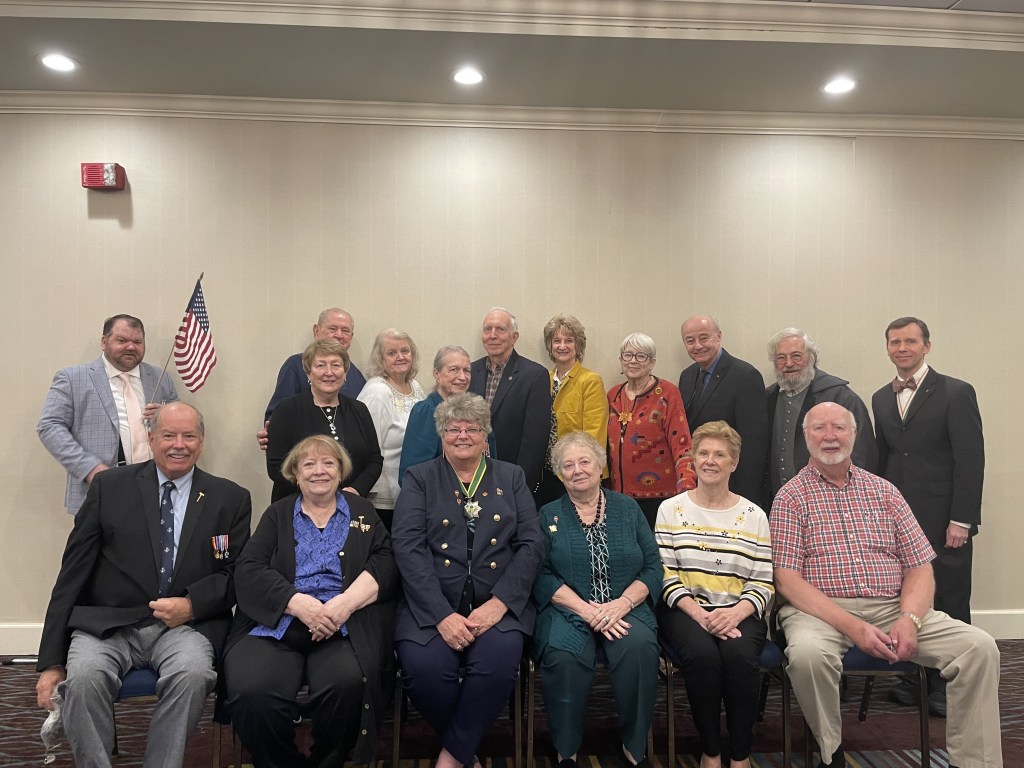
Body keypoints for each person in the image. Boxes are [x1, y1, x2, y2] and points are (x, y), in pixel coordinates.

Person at [770, 402, 1002, 768]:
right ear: (806, 437)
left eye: (839, 427)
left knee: (979, 647)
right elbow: (786, 580)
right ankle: (831, 754)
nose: (830, 436)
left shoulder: (885, 492)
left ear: (855, 433)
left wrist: (910, 618)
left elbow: (919, 566)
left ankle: (976, 762)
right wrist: (853, 627)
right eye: (819, 428)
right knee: (807, 657)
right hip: (820, 612)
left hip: (892, 606)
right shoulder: (790, 497)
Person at [35, 402, 252, 768]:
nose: (178, 444)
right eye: (168, 435)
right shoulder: (109, 487)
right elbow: (72, 574)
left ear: (201, 441)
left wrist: (192, 605)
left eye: (189, 436)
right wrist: (51, 662)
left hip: (185, 628)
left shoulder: (230, 498)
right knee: (83, 679)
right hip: (108, 625)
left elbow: (236, 576)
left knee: (193, 673)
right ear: (151, 439)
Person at [224, 435, 399, 768]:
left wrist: (344, 605)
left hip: (343, 626)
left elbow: (386, 562)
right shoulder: (277, 514)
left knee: (348, 685)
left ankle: (327, 762)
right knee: (252, 691)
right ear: (295, 474)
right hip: (278, 624)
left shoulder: (363, 512)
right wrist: (297, 604)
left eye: (328, 463)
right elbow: (249, 568)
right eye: (309, 464)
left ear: (341, 471)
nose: (320, 471)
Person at [392, 393, 544, 768]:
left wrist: (500, 604)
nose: (462, 435)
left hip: (497, 603)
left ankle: (451, 757)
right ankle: (464, 752)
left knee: (496, 666)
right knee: (424, 671)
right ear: (441, 434)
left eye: (472, 428)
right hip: (432, 604)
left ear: (485, 434)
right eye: (453, 428)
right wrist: (441, 615)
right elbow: (408, 548)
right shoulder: (420, 478)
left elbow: (531, 545)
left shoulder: (511, 476)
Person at [871, 317, 985, 715]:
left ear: (927, 346)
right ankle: (913, 676)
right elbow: (885, 459)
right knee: (906, 599)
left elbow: (970, 461)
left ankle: (950, 685)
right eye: (895, 342)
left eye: (910, 341)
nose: (902, 348)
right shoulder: (881, 398)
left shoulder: (956, 392)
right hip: (899, 518)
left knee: (950, 598)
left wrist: (962, 519)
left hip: (945, 519)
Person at [533, 432, 661, 768]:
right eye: (568, 465)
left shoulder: (628, 508)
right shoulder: (548, 514)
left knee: (639, 649)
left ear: (600, 465)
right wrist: (585, 610)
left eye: (584, 461)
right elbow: (540, 574)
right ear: (560, 474)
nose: (577, 470)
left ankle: (635, 748)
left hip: (625, 609)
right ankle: (566, 751)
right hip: (568, 611)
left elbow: (653, 566)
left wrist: (621, 605)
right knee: (563, 655)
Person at [655, 421, 773, 768]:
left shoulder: (754, 515)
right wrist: (701, 615)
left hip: (740, 611)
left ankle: (740, 753)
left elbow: (763, 580)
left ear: (734, 463)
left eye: (720, 455)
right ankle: (710, 750)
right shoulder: (670, 509)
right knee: (703, 657)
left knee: (739, 657)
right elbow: (664, 573)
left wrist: (735, 614)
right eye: (703, 453)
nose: (710, 461)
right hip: (684, 610)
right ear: (692, 459)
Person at [37, 314, 179, 514]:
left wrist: (169, 416)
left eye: (137, 342)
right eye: (122, 340)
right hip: (99, 491)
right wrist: (90, 469)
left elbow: (182, 426)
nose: (131, 347)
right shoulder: (72, 378)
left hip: (157, 490)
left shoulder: (161, 378)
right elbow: (49, 427)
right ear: (104, 342)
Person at [765, 327, 876, 502]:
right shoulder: (767, 398)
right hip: (776, 501)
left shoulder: (840, 396)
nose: (788, 363)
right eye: (781, 357)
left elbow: (863, 453)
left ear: (812, 358)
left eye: (796, 356)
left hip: (831, 500)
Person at [266, 339, 382, 503]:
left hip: (350, 504)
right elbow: (275, 465)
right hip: (298, 504)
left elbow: (374, 460)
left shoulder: (360, 410)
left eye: (336, 365)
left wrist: (355, 490)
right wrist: (316, 491)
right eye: (320, 365)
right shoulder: (286, 410)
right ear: (308, 373)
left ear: (345, 373)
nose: (329, 372)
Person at [607, 332, 697, 528]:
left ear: (652, 363)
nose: (633, 361)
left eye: (641, 356)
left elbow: (682, 445)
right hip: (619, 498)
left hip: (660, 499)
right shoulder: (613, 395)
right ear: (621, 360)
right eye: (628, 355)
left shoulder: (667, 393)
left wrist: (687, 490)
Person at [677, 315, 768, 505]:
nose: (697, 346)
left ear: (718, 336)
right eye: (690, 341)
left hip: (732, 488)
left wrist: (743, 498)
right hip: (697, 485)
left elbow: (754, 446)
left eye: (704, 338)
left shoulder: (745, 376)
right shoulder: (687, 376)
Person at [468, 307, 551, 498]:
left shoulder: (535, 375)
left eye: (500, 329)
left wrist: (520, 487)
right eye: (487, 329)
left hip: (512, 480)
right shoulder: (470, 371)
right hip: (471, 477)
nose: (493, 335)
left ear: (514, 337)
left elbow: (534, 442)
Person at [256, 308, 367, 450]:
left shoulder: (357, 376)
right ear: (316, 331)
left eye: (345, 331)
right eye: (332, 329)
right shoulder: (296, 365)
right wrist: (272, 434)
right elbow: (278, 415)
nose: (339, 335)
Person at [536, 314, 608, 508]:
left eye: (569, 340)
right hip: (546, 475)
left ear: (578, 345)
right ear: (549, 346)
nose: (562, 346)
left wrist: (580, 469)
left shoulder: (590, 381)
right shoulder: (542, 379)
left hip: (577, 474)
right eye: (556, 341)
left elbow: (594, 435)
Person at [357, 329, 426, 529]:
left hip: (412, 491)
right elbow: (367, 449)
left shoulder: (415, 386)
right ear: (380, 359)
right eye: (392, 353)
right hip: (383, 498)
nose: (400, 357)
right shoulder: (377, 392)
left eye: (405, 351)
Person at [399, 345, 496, 481]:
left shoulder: (478, 410)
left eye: (466, 370)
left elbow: (492, 460)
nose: (462, 377)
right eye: (454, 370)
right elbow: (413, 473)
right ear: (437, 374)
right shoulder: (426, 411)